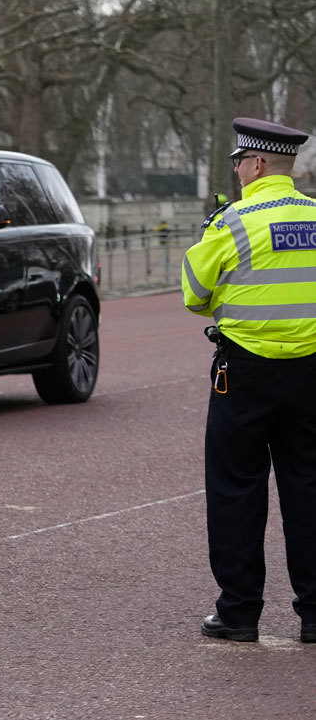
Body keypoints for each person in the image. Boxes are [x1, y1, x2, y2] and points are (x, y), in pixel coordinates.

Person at [181, 117, 316, 643]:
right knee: (309, 487)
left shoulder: (232, 222)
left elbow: (194, 295)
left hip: (246, 371)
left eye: (239, 162)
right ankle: (314, 614)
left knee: (236, 488)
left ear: (257, 164)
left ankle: (239, 613)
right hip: (311, 369)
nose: (237, 171)